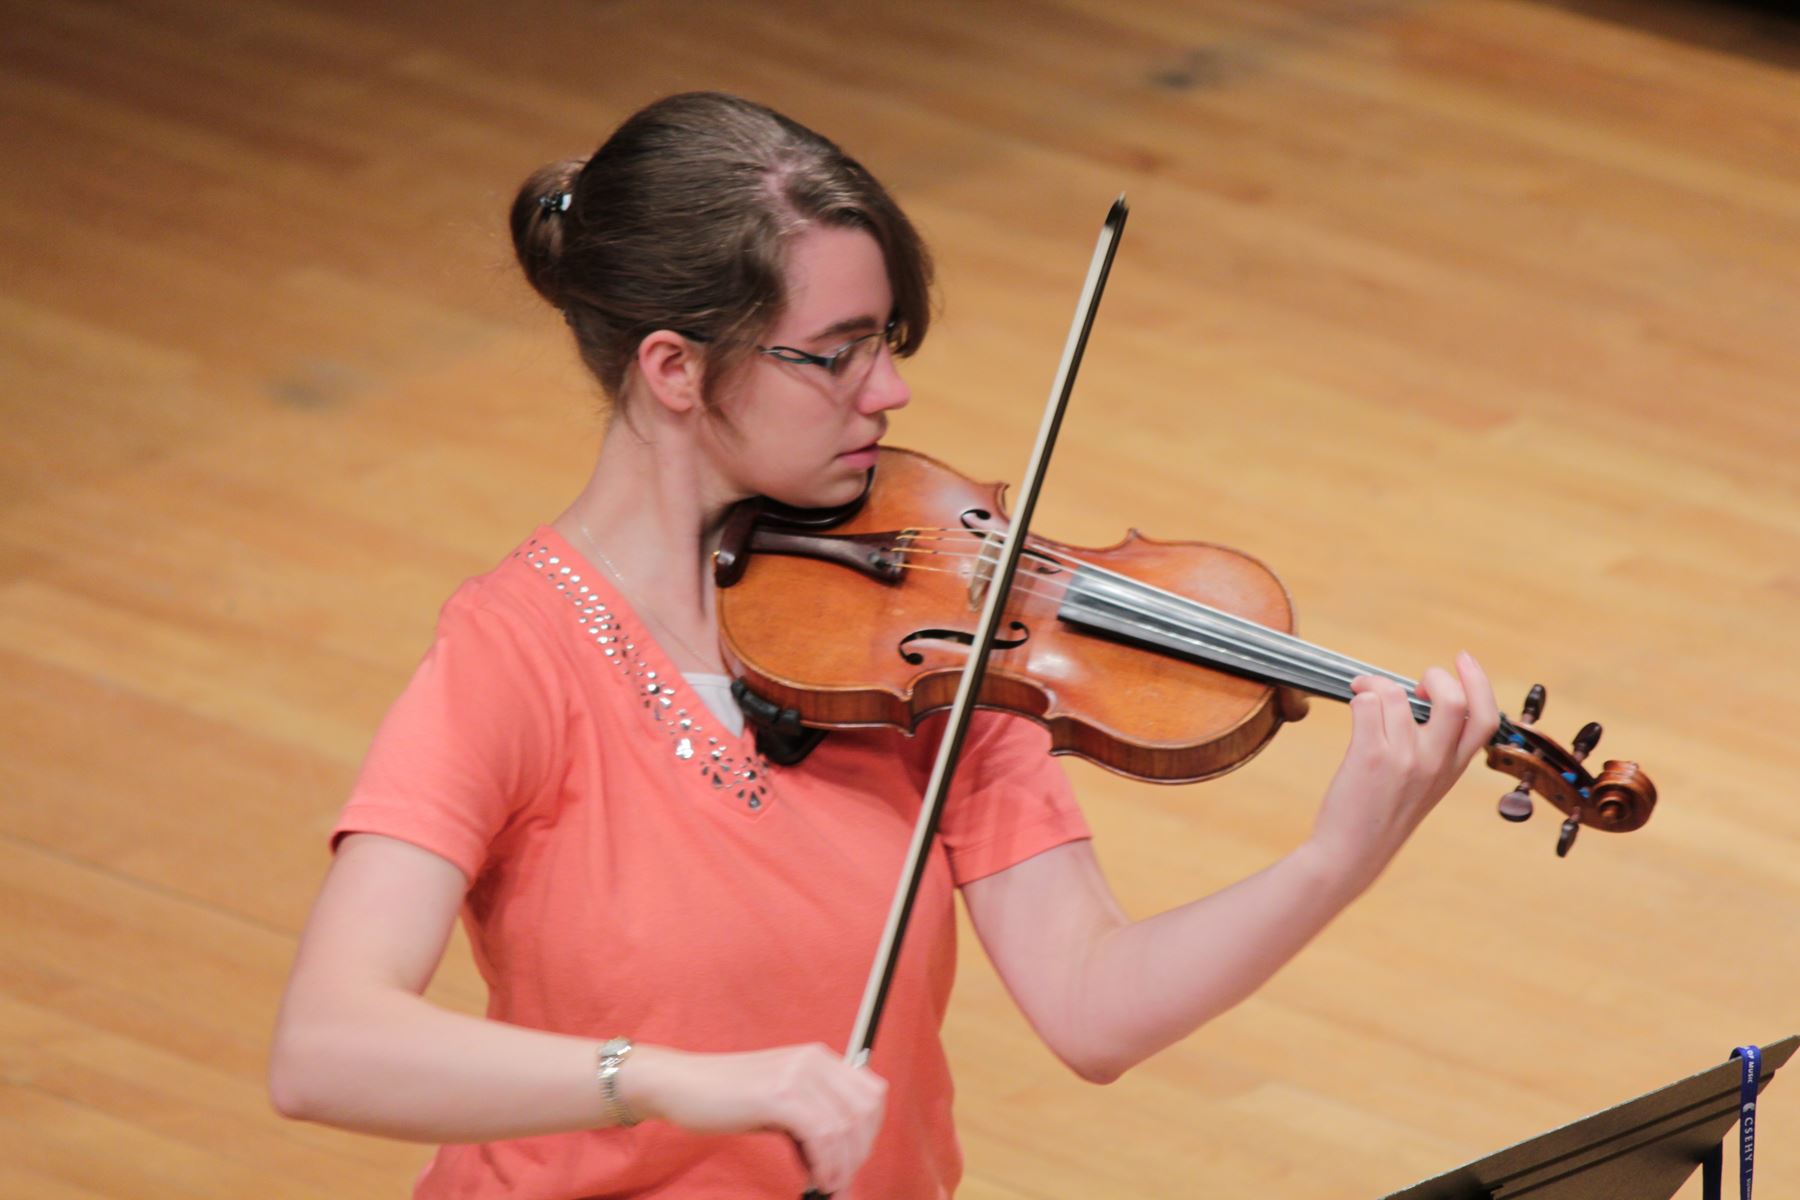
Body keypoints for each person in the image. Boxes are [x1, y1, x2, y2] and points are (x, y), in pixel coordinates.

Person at [269, 91, 1500, 1199]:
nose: (890, 392)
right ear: (675, 369)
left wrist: (1335, 858)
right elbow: (326, 1047)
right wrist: (670, 1080)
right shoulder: (515, 655)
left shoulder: (927, 643)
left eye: (890, 340)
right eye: (836, 353)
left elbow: (1094, 1007)